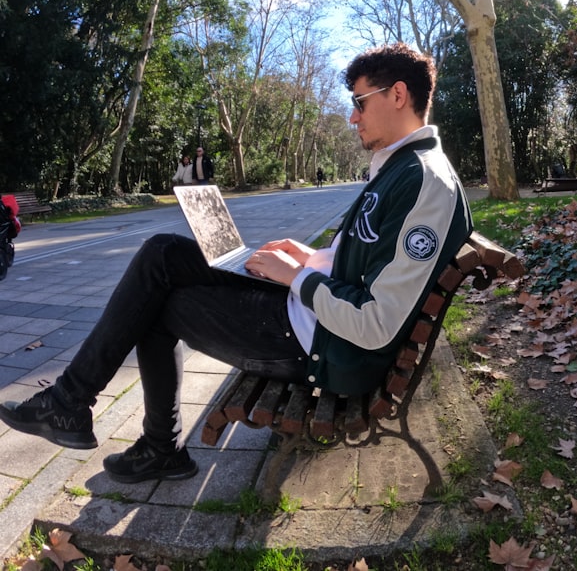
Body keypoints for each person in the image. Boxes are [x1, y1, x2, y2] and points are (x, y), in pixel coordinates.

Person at [0, 43, 473, 483]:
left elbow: (377, 322)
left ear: (397, 95)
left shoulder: (424, 184)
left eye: (360, 102)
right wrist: (309, 257)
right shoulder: (402, 167)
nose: (352, 117)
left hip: (327, 347)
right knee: (163, 252)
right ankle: (73, 404)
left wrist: (298, 278)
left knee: (154, 304)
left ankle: (126, 431)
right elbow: (369, 261)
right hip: (315, 316)